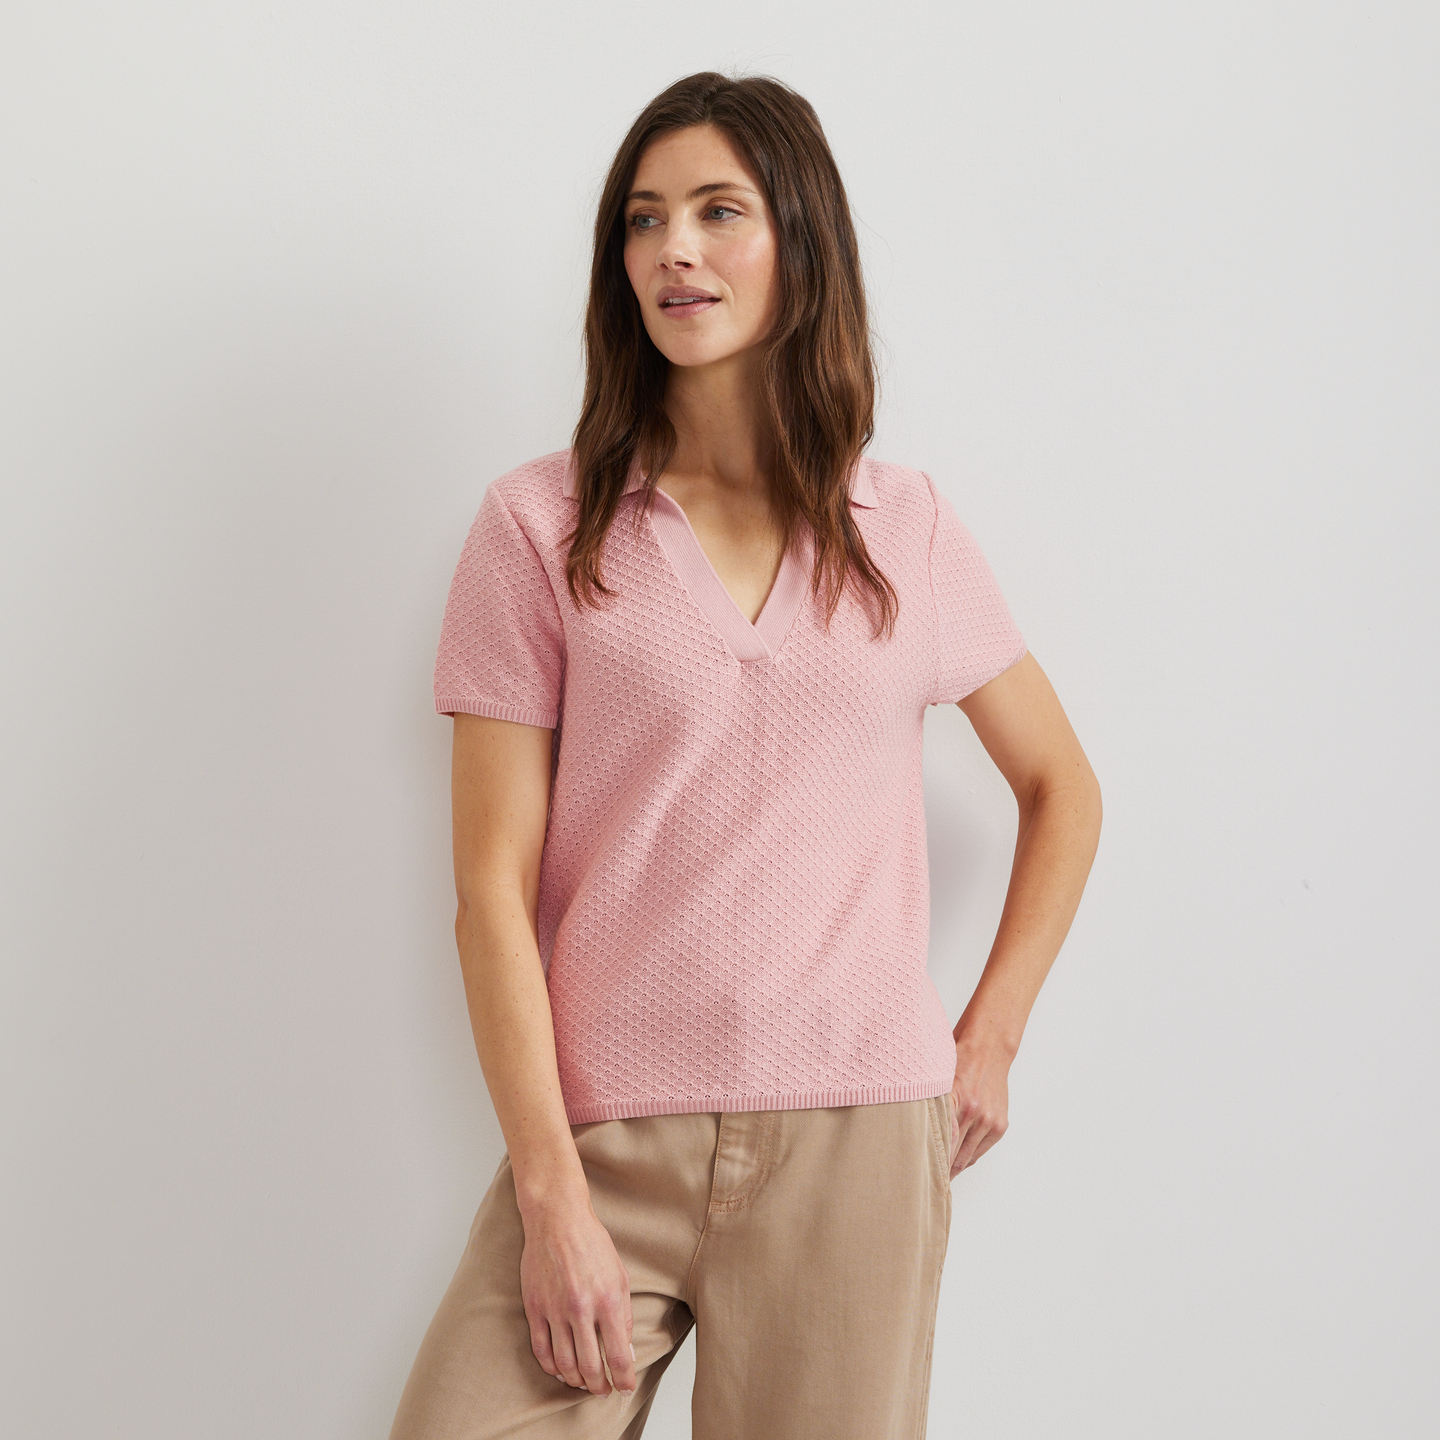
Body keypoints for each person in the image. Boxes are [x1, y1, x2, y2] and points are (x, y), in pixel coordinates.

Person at [388, 70, 1101, 1440]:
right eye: (644, 219)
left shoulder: (904, 527)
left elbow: (1063, 787)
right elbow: (489, 890)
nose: (676, 249)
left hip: (857, 1139)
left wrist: (991, 1037)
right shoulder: (540, 528)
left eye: (720, 211)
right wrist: (548, 1190)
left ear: (801, 242)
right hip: (604, 1141)